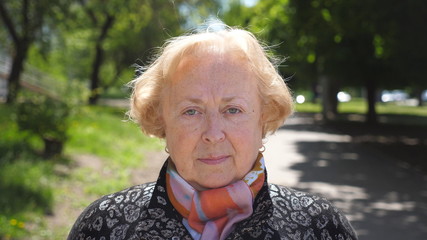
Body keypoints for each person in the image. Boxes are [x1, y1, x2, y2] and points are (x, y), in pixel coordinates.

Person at [68, 22, 357, 240]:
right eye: (191, 111)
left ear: (264, 118)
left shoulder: (319, 226)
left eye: (233, 110)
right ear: (161, 121)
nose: (213, 133)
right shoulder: (104, 225)